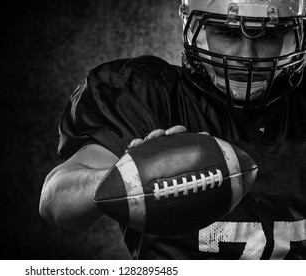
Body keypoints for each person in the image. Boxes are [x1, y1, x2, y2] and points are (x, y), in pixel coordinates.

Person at [39, 0, 306, 259]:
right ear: (194, 29)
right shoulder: (149, 95)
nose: (248, 56)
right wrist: (131, 178)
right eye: (227, 32)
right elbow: (56, 201)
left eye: (270, 35)